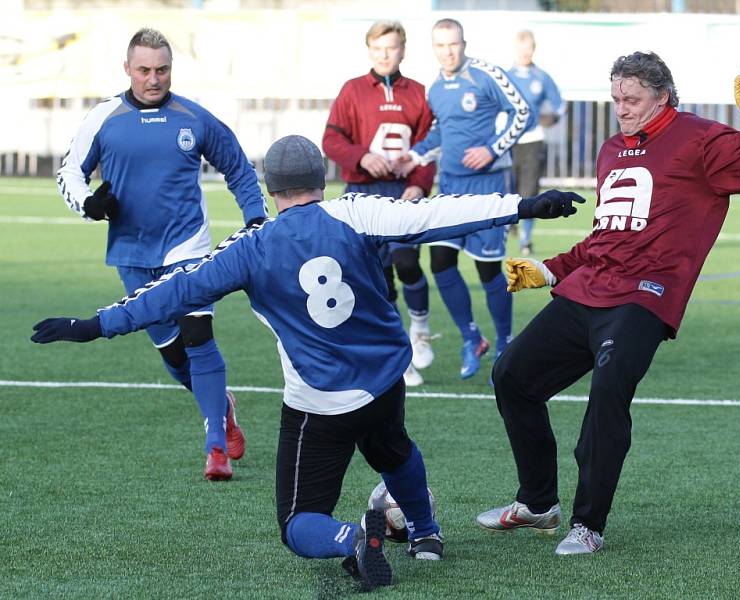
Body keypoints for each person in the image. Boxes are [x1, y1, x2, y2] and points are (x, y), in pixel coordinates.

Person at [33, 135, 584, 589]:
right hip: (386, 380)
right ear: (322, 179)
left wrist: (93, 325)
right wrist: (524, 205)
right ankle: (425, 533)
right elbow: (438, 214)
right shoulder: (358, 212)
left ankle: (354, 538)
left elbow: (173, 291)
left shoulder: (252, 246)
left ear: (271, 190)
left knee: (297, 525)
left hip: (319, 401)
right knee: (393, 448)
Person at [476, 56, 740, 555]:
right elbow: (605, 237)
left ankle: (588, 524)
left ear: (661, 96)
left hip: (646, 295)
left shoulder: (700, 138)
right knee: (511, 376)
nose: (620, 108)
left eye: (632, 99)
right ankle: (538, 503)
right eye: (616, 98)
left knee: (608, 391)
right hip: (591, 288)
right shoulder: (612, 149)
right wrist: (552, 269)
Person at [55, 27, 268, 481]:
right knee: (173, 358)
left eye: (163, 69)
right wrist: (89, 204)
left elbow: (239, 168)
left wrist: (255, 219)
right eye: (145, 70)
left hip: (187, 247)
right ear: (127, 68)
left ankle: (215, 450)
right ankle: (222, 409)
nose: (154, 78)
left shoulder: (193, 117)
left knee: (197, 336)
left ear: (172, 68)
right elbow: (70, 173)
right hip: (132, 254)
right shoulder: (104, 117)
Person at [398, 18, 529, 381]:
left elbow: (523, 113)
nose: (448, 51)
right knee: (441, 262)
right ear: (434, 48)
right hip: (451, 187)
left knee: (489, 269)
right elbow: (440, 132)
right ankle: (473, 339)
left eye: (453, 44)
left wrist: (491, 149)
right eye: (440, 46)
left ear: (464, 43)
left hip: (488, 187)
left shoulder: (486, 74)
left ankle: (505, 345)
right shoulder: (436, 88)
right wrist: (415, 155)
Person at [322, 20, 437, 387]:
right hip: (361, 194)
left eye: (391, 47)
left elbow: (429, 149)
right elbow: (331, 139)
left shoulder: (419, 93)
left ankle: (419, 326)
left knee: (406, 261)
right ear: (369, 50)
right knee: (371, 278)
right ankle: (394, 352)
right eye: (377, 48)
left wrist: (419, 185)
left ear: (403, 49)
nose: (384, 55)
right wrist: (360, 157)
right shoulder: (353, 90)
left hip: (401, 194)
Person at [507, 29, 565, 257]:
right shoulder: (505, 75)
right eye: (521, 46)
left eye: (529, 47)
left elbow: (559, 104)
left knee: (529, 192)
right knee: (506, 189)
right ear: (516, 48)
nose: (525, 51)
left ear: (533, 48)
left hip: (533, 140)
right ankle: (505, 226)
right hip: (508, 142)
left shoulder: (541, 77)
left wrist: (554, 117)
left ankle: (525, 239)